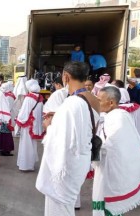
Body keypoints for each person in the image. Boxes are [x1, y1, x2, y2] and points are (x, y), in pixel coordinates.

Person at [36, 62, 100, 216]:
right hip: (81, 160)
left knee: (59, 207)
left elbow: (61, 141)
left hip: (67, 164)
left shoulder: (71, 104)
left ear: (66, 76)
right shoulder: (93, 99)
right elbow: (85, 128)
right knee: (66, 205)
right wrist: (58, 117)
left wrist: (48, 126)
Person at [93, 86, 140, 216]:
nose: (97, 102)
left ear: (111, 103)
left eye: (99, 100)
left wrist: (89, 147)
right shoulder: (110, 115)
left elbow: (114, 144)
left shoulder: (119, 118)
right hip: (104, 166)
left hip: (111, 169)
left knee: (108, 207)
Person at [16, 79, 44, 172]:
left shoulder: (29, 98)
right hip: (34, 125)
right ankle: (30, 164)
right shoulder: (39, 97)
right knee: (32, 145)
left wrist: (18, 122)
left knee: (25, 145)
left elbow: (24, 113)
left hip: (27, 125)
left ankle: (25, 165)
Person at [0, 82, 16, 156]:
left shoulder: (9, 96)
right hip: (4, 116)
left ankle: (6, 150)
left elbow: (8, 108)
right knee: (4, 134)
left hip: (6, 117)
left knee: (6, 134)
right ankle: (4, 149)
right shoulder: (7, 95)